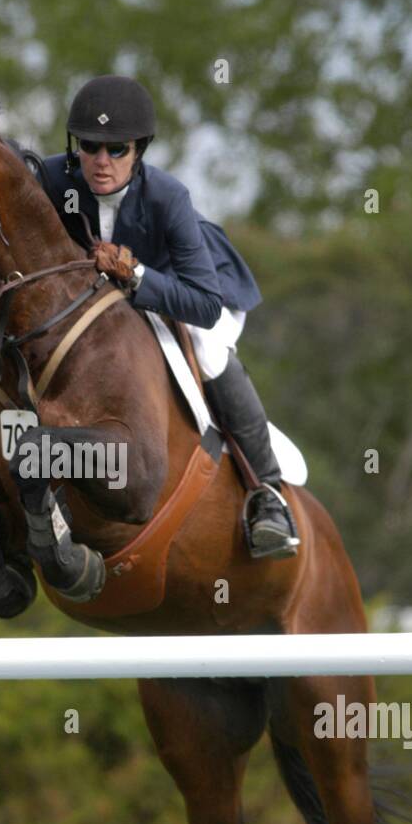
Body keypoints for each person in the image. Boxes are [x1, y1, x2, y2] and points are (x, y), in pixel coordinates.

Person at [39, 74, 299, 559]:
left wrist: (135, 273)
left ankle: (268, 495)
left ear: (139, 150)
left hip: (196, 286)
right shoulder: (55, 179)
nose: (101, 161)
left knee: (209, 350)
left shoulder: (167, 196)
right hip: (111, 300)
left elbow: (204, 303)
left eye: (116, 149)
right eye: (90, 146)